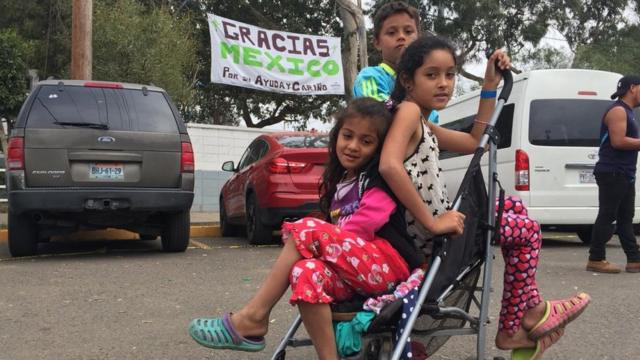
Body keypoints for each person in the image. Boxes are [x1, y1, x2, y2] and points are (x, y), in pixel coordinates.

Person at [378, 35, 590, 358]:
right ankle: (516, 324)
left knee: (515, 208)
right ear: (407, 80)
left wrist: (489, 85)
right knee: (528, 231)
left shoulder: (420, 120)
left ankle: (528, 310)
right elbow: (389, 166)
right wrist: (432, 222)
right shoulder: (408, 112)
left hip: (440, 232)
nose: (444, 84)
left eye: (450, 75)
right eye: (432, 75)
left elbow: (478, 140)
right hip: (436, 239)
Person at [188, 98, 422, 360]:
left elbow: (367, 223)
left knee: (309, 229)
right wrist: (328, 243)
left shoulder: (379, 179)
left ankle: (255, 315)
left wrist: (326, 240)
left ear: (379, 148)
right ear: (336, 136)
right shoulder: (343, 181)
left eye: (366, 141)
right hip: (355, 270)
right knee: (304, 272)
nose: (354, 146)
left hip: (386, 267)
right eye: (347, 136)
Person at [352, 1, 439, 124]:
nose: (401, 37)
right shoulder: (370, 77)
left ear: (418, 38)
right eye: (392, 32)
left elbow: (432, 133)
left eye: (408, 32)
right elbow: (380, 116)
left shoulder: (425, 85)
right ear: (377, 42)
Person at [586, 74, 640, 274]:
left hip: (625, 172)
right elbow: (618, 141)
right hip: (612, 171)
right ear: (633, 88)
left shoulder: (629, 112)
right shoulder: (618, 110)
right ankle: (596, 258)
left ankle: (634, 260)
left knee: (626, 217)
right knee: (607, 215)